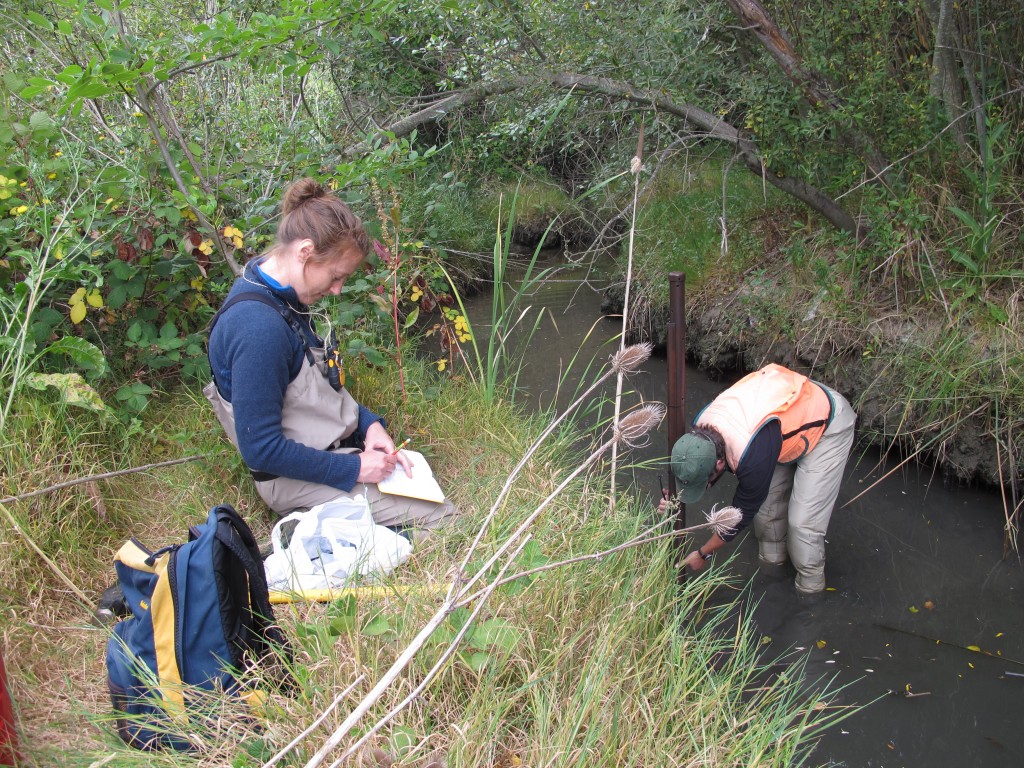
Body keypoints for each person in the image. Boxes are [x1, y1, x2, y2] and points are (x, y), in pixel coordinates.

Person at [204, 177, 457, 531]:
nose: (337, 290)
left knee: (425, 490)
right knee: (445, 522)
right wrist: (355, 468)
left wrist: (369, 427)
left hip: (328, 448)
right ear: (305, 251)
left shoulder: (282, 288)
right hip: (288, 478)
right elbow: (260, 449)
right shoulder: (257, 329)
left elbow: (319, 388)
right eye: (336, 276)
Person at [667, 363, 856, 594]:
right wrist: (675, 497)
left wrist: (702, 553)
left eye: (705, 482)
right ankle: (772, 577)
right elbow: (695, 470)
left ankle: (810, 591)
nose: (705, 486)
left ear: (719, 463)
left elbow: (739, 516)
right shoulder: (700, 435)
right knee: (766, 517)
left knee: (802, 526)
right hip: (781, 415)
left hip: (826, 421)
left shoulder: (751, 457)